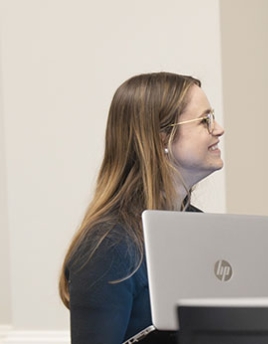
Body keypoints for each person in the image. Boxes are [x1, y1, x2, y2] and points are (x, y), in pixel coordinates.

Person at [59, 72, 225, 343]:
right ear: (162, 137)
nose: (218, 128)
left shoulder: (198, 227)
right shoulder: (107, 245)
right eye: (204, 120)